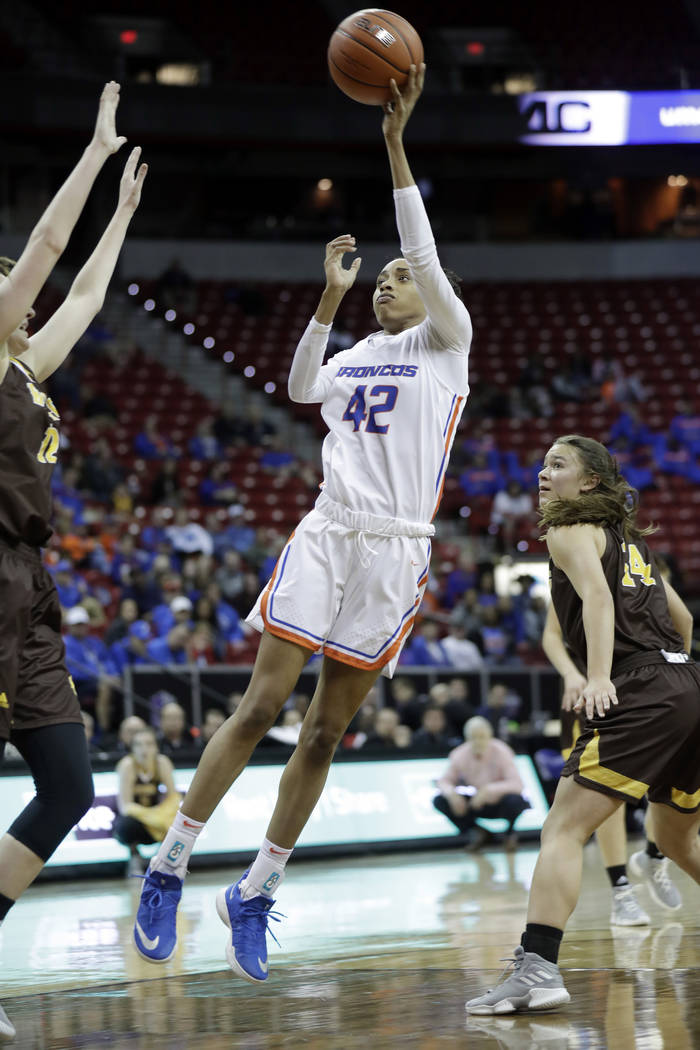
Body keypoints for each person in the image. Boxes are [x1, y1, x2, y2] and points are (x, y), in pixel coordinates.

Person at [133, 64, 472, 980]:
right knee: (261, 707)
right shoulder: (358, 353)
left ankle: (257, 889)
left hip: (397, 554)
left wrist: (395, 142)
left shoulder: (447, 346)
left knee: (326, 734)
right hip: (332, 531)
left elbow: (426, 251)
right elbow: (298, 389)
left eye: (399, 277)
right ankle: (168, 866)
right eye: (384, 280)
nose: (389, 283)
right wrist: (326, 298)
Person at [0, 81, 145, 1042]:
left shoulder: (26, 369)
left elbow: (84, 289)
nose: (17, 280)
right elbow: (49, 254)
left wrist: (123, 215)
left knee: (68, 788)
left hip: (30, 592)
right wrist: (92, 160)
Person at [466, 434, 697, 1015]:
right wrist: (676, 683)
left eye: (558, 464)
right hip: (687, 684)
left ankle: (538, 970)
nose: (543, 472)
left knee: (562, 830)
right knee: (674, 838)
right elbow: (684, 618)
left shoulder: (568, 531)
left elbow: (596, 598)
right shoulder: (629, 541)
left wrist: (600, 677)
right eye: (542, 463)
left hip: (640, 688)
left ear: (589, 482)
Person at [433, 716, 529, 851]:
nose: (478, 741)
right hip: (476, 803)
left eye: (482, 736)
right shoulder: (459, 754)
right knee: (439, 800)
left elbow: (518, 785)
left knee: (516, 801)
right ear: (466, 738)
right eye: (473, 737)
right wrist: (451, 794)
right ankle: (478, 832)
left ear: (489, 735)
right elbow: (444, 781)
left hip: (499, 802)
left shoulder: (502, 751)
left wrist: (488, 790)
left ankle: (509, 834)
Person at [113, 726, 180, 877]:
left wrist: (160, 817)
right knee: (125, 825)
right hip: (139, 821)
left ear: (156, 747)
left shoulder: (162, 763)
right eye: (139, 744)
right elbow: (125, 806)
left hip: (157, 818)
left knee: (177, 822)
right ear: (132, 748)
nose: (144, 749)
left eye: (149, 744)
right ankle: (134, 856)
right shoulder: (127, 765)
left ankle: (161, 861)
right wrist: (152, 817)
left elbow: (174, 798)